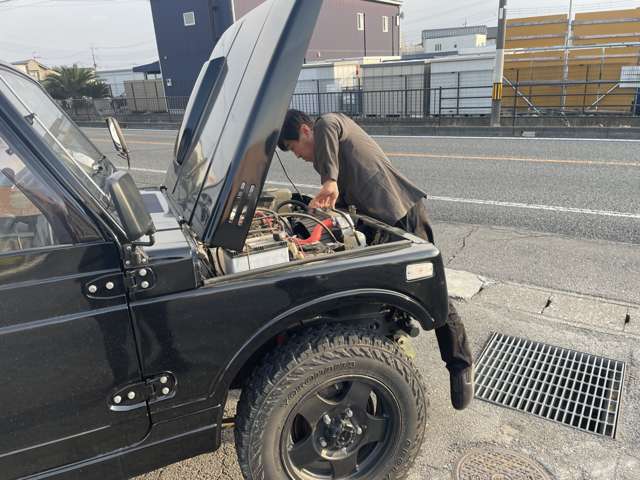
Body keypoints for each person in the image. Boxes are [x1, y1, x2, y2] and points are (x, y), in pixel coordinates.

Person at [277, 109, 474, 410]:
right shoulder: (329, 157)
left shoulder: (330, 124)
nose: (298, 156)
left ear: (306, 130)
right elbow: (341, 203)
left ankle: (460, 366)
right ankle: (388, 361)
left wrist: (329, 181)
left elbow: (330, 130)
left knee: (432, 292)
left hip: (403, 213)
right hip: (378, 224)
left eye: (294, 148)